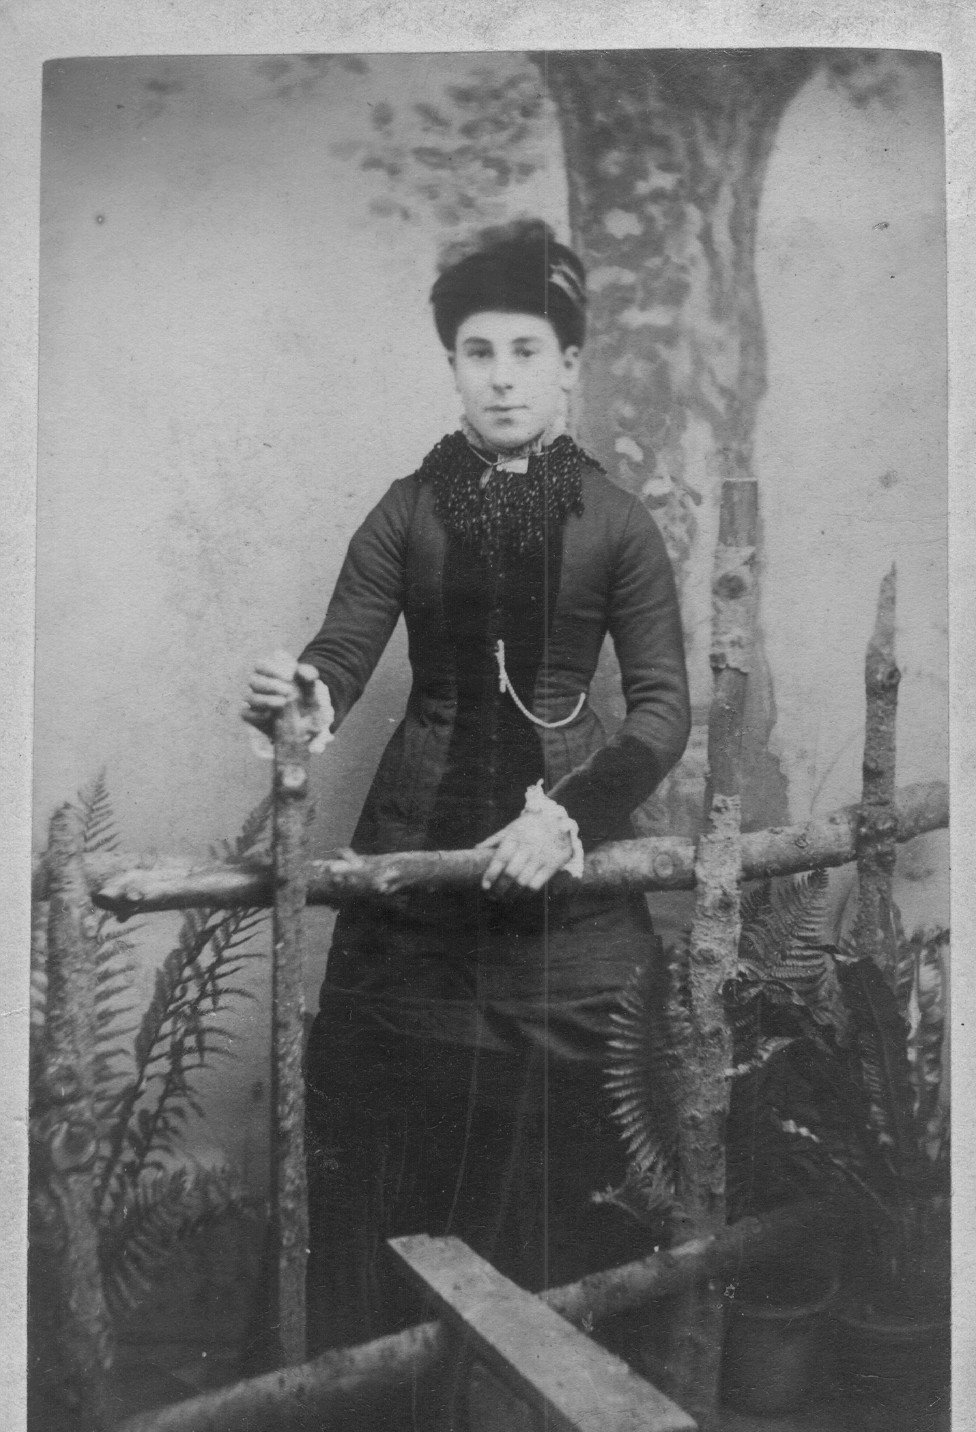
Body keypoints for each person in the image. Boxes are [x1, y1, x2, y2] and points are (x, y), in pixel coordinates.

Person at [243, 220, 691, 1357]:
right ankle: (379, 1411)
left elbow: (660, 710)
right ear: (451, 365)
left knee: (595, 1120)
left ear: (568, 366)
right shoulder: (406, 509)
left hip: (565, 860)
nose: (500, 377)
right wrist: (300, 696)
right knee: (386, 1108)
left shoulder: (617, 522)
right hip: (418, 851)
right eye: (478, 352)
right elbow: (340, 652)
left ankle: (569, 1405)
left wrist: (567, 817)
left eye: (525, 352)